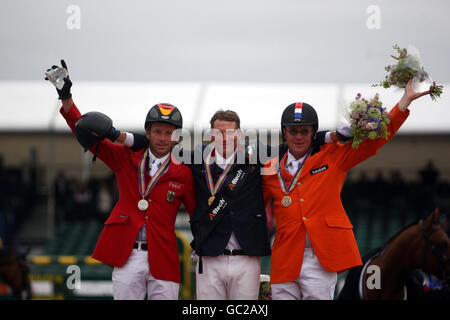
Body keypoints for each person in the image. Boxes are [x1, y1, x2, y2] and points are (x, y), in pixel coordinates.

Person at [124, 108, 347, 299]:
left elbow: (295, 142)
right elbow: (159, 143)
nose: (224, 137)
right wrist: (122, 136)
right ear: (211, 135)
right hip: (210, 254)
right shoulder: (195, 158)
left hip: (246, 255)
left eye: (229, 132)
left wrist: (330, 136)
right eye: (218, 132)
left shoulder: (258, 156)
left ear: (239, 134)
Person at [262, 80, 436, 300]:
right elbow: (251, 201)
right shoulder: (269, 166)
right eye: (293, 131)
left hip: (320, 258)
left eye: (304, 131)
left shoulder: (333, 155)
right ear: (284, 133)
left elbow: (375, 141)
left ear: (314, 133)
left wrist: (403, 103)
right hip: (284, 257)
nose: (298, 136)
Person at [45, 60, 196, 300]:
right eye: (157, 131)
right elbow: (84, 129)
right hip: (128, 255)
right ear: (147, 133)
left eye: (169, 133)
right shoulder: (125, 157)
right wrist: (66, 96)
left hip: (164, 257)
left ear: (177, 137)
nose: (162, 138)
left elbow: (197, 214)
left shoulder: (185, 173)